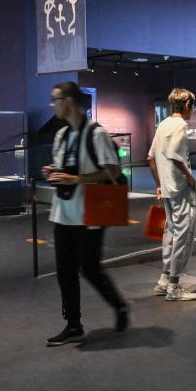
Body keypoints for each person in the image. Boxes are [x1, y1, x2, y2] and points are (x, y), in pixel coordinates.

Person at [43, 81, 130, 346]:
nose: (52, 105)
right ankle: (73, 325)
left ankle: (119, 305)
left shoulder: (96, 134)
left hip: (89, 213)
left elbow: (112, 171)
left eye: (55, 100)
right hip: (63, 212)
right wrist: (53, 172)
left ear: (69, 101)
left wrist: (78, 179)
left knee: (90, 268)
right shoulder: (61, 135)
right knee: (65, 271)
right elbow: (66, 168)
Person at [148, 88, 196, 301]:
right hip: (180, 189)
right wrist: (190, 177)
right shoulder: (180, 125)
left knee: (171, 232)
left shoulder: (163, 124)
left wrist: (159, 184)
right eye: (193, 107)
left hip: (168, 189)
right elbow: (175, 156)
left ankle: (164, 280)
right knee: (183, 235)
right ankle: (174, 286)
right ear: (187, 105)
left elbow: (151, 158)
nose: (192, 111)